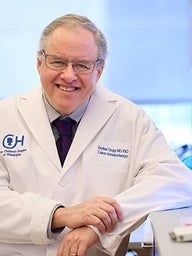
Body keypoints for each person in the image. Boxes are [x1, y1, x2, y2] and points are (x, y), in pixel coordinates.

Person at [0, 13, 192, 256]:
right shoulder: (4, 116)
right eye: (58, 62)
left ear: (99, 70)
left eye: (81, 65)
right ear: (39, 63)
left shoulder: (130, 119)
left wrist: (99, 224)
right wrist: (59, 215)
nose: (69, 75)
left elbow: (177, 182)